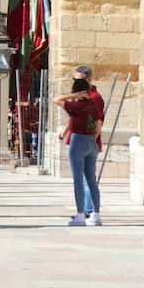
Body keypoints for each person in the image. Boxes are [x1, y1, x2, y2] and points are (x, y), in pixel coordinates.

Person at [54, 75, 104, 226]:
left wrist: (74, 95)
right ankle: (96, 215)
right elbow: (97, 125)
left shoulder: (76, 106)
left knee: (78, 180)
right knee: (91, 180)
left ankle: (81, 214)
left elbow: (56, 99)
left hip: (78, 142)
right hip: (91, 142)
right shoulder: (94, 105)